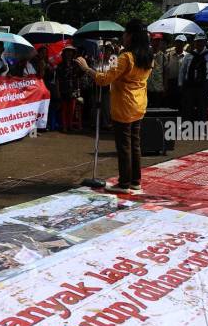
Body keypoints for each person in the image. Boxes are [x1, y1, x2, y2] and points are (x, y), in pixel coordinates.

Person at [75, 19, 153, 194]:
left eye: (125, 34)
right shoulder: (148, 57)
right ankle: (135, 181)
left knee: (124, 146)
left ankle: (124, 183)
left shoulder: (125, 57)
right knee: (135, 145)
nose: (123, 37)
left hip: (124, 106)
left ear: (131, 36)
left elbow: (104, 79)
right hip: (139, 104)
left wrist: (87, 68)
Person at [179, 33, 208, 121]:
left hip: (204, 84)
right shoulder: (189, 55)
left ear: (205, 42)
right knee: (188, 107)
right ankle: (187, 128)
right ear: (194, 43)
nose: (200, 43)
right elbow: (182, 71)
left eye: (202, 41)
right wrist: (180, 83)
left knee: (202, 107)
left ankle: (200, 129)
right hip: (190, 84)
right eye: (198, 42)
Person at [56, 46, 83, 132]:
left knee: (72, 108)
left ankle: (70, 125)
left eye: (71, 52)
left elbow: (79, 76)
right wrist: (58, 91)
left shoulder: (75, 64)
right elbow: (57, 79)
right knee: (64, 109)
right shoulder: (60, 65)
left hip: (73, 89)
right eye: (68, 51)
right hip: (63, 88)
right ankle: (64, 126)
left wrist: (78, 89)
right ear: (64, 53)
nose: (69, 53)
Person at [164, 34, 187, 110]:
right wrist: (166, 84)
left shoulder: (188, 56)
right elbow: (166, 71)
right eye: (178, 42)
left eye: (181, 42)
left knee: (181, 103)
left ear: (184, 43)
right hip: (171, 82)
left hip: (183, 83)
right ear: (175, 43)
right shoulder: (168, 55)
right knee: (170, 103)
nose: (179, 44)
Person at [147, 33, 166, 107]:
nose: (157, 42)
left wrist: (165, 86)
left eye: (158, 41)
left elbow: (165, 71)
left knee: (157, 107)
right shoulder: (146, 54)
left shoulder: (163, 56)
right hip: (147, 86)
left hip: (158, 87)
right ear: (151, 41)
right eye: (155, 40)